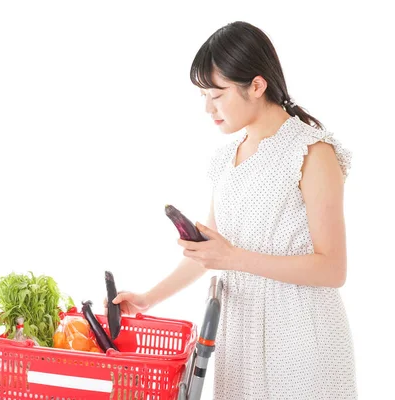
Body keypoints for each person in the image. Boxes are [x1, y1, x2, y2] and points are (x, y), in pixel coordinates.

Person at [105, 21, 357, 399]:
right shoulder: (227, 160)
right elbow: (209, 256)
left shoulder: (312, 153)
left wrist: (233, 258)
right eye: (203, 95)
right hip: (239, 335)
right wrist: (147, 299)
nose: (208, 107)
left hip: (302, 336)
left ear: (257, 85)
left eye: (217, 94)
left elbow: (332, 268)